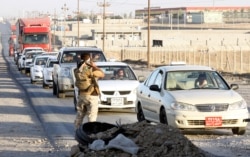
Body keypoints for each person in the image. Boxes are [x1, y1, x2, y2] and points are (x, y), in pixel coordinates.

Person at [74, 53, 104, 130]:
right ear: (89, 59)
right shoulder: (91, 69)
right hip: (92, 95)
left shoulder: (78, 70)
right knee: (92, 116)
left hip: (81, 95)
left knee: (80, 115)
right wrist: (94, 66)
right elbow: (102, 74)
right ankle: (90, 132)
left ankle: (77, 130)